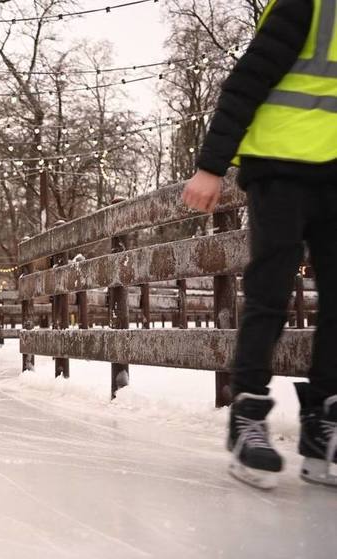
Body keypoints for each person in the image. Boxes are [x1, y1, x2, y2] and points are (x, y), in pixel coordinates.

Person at [183, 0, 337, 488]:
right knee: (270, 293)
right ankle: (248, 417)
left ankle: (324, 424)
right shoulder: (310, 5)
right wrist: (211, 166)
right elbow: (246, 83)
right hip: (279, 168)